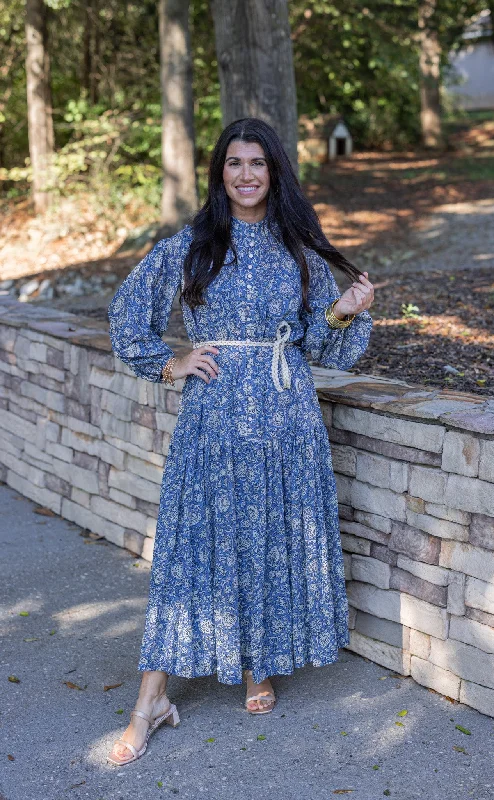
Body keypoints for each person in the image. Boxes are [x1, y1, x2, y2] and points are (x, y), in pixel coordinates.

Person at [106, 117, 374, 766]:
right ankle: (150, 700)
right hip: (215, 418)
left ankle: (257, 664)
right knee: (191, 546)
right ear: (218, 172)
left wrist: (344, 311)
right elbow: (127, 309)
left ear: (274, 171)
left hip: (286, 420)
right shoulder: (193, 245)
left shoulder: (297, 250)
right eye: (234, 162)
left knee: (267, 537)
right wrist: (168, 363)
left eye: (258, 162)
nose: (246, 174)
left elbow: (327, 346)